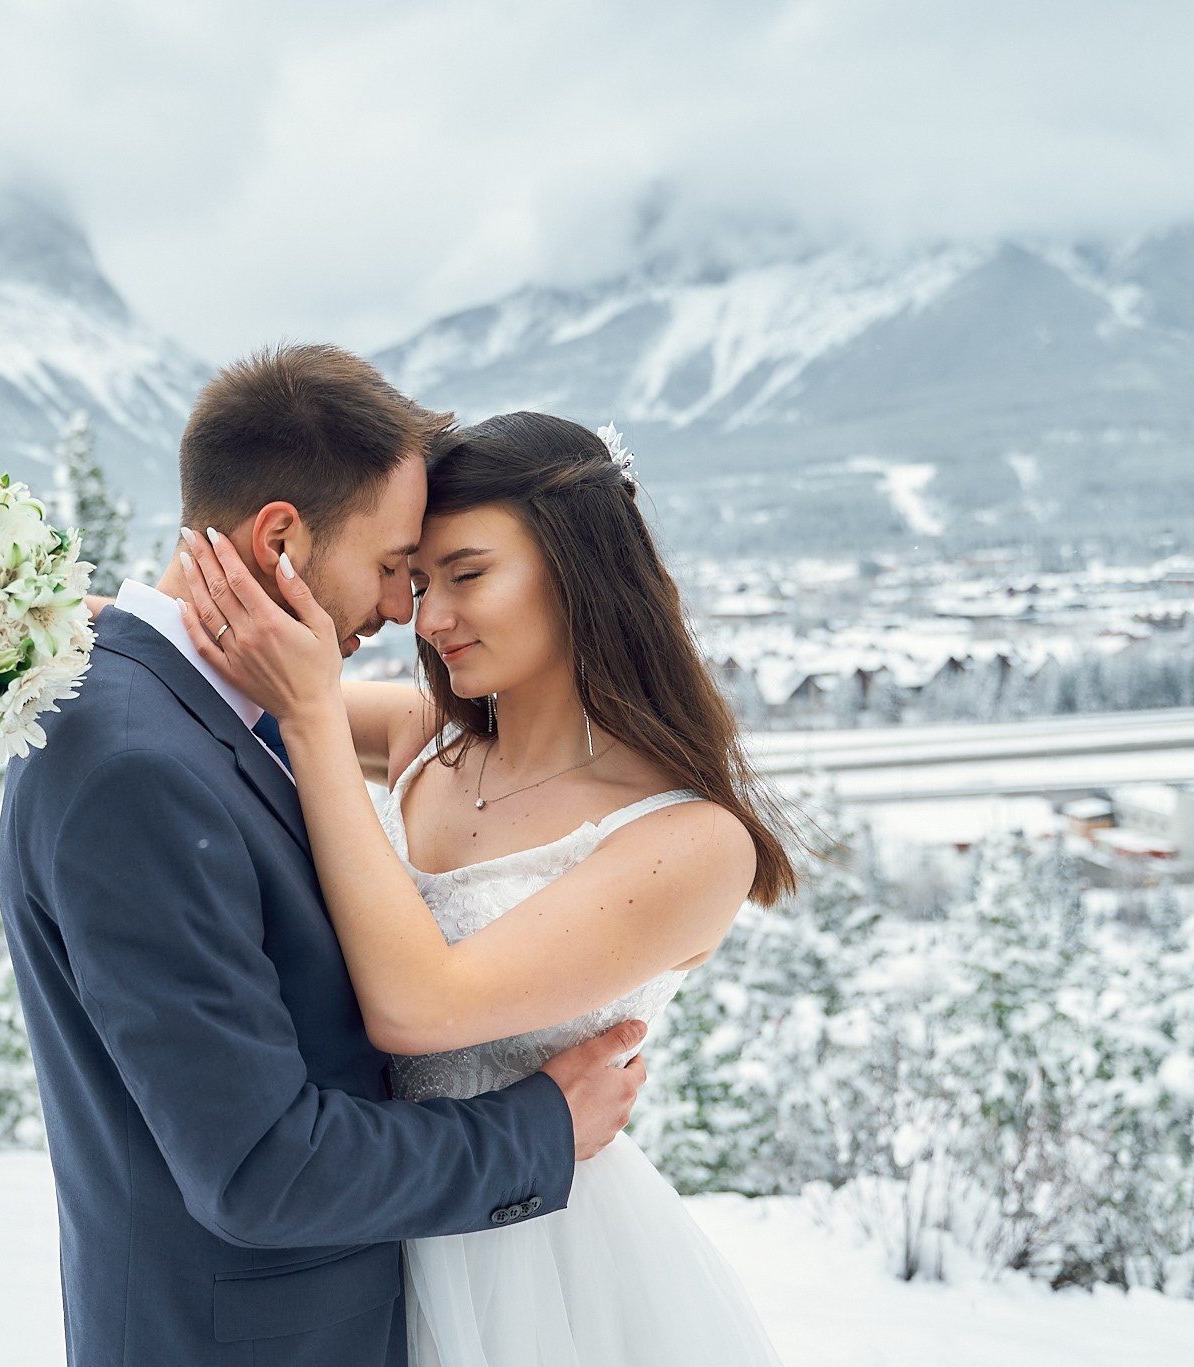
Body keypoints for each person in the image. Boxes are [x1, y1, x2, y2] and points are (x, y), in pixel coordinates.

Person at [0, 348, 650, 1367]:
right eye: (395, 564)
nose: (403, 610)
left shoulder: (187, 706)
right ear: (280, 537)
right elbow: (262, 1168)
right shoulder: (138, 765)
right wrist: (541, 1132)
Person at [176, 409, 796, 1365]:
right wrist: (47, 620)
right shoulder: (428, 737)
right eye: (418, 582)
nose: (428, 619)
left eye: (466, 575)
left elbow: (419, 1007)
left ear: (583, 568)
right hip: (366, 1220)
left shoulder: (690, 841)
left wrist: (309, 723)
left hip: (537, 1268)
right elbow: (221, 661)